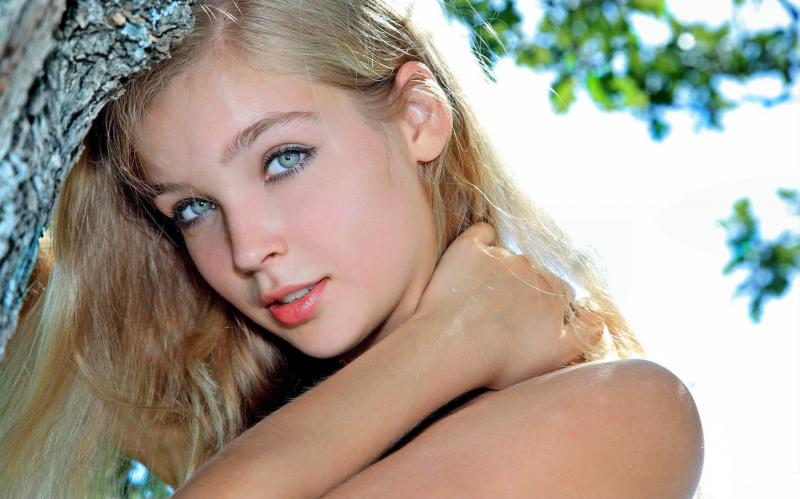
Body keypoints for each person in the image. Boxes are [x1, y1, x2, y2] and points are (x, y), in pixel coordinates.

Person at [0, 0, 704, 496]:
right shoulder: (224, 427)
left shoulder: (627, 414)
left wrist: (451, 339)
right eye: (194, 208)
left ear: (419, 116)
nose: (247, 249)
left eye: (284, 159)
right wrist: (453, 338)